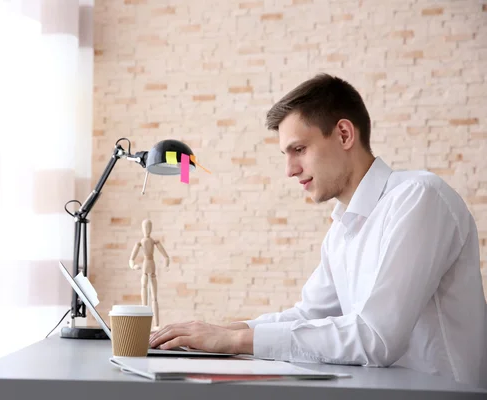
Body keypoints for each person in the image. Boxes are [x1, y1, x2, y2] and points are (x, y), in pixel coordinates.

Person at [149, 73, 487, 387]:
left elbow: (376, 337)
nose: (290, 170)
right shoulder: (343, 228)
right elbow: (308, 315)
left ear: (343, 134)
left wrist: (235, 340)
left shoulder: (418, 198)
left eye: (299, 149)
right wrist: (216, 332)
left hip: (447, 393)